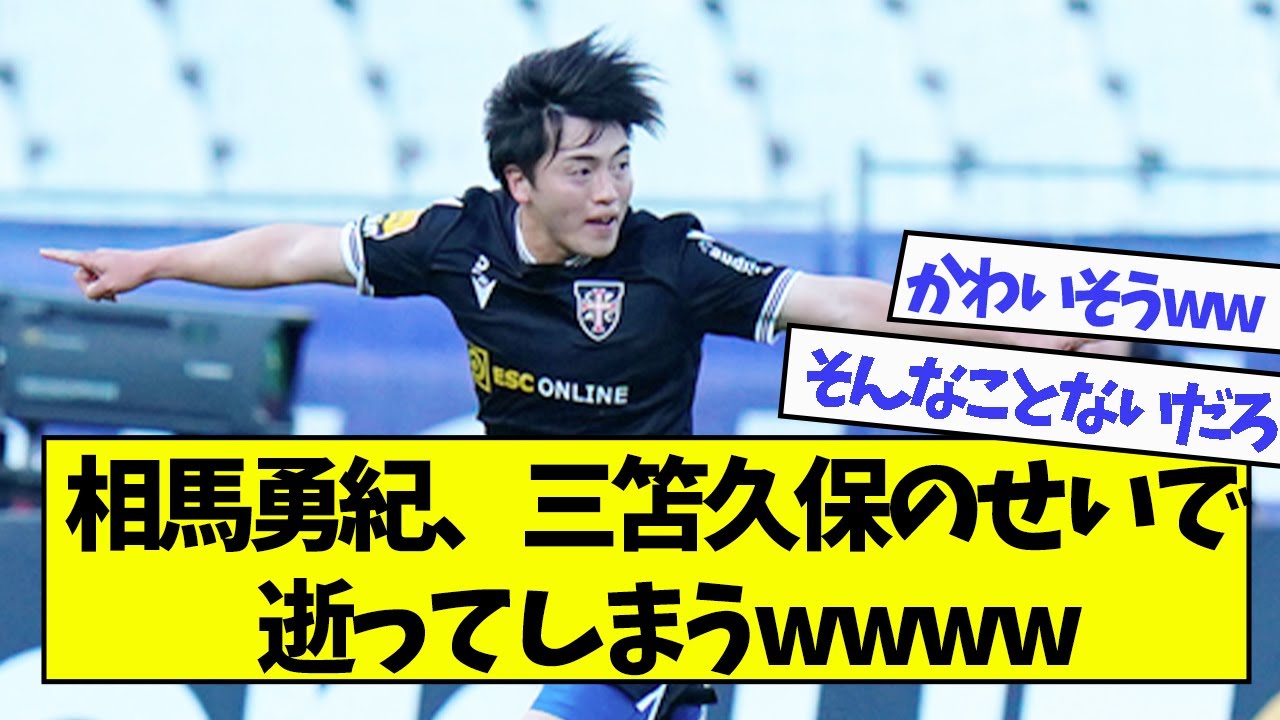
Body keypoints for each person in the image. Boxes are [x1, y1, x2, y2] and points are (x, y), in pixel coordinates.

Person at [42, 32, 1093, 720]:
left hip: (655, 578)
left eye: (621, 164)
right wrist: (153, 263)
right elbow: (291, 252)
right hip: (541, 563)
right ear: (520, 180)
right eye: (582, 169)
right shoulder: (454, 243)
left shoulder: (672, 264)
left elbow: (839, 301)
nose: (609, 192)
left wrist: (1005, 330)